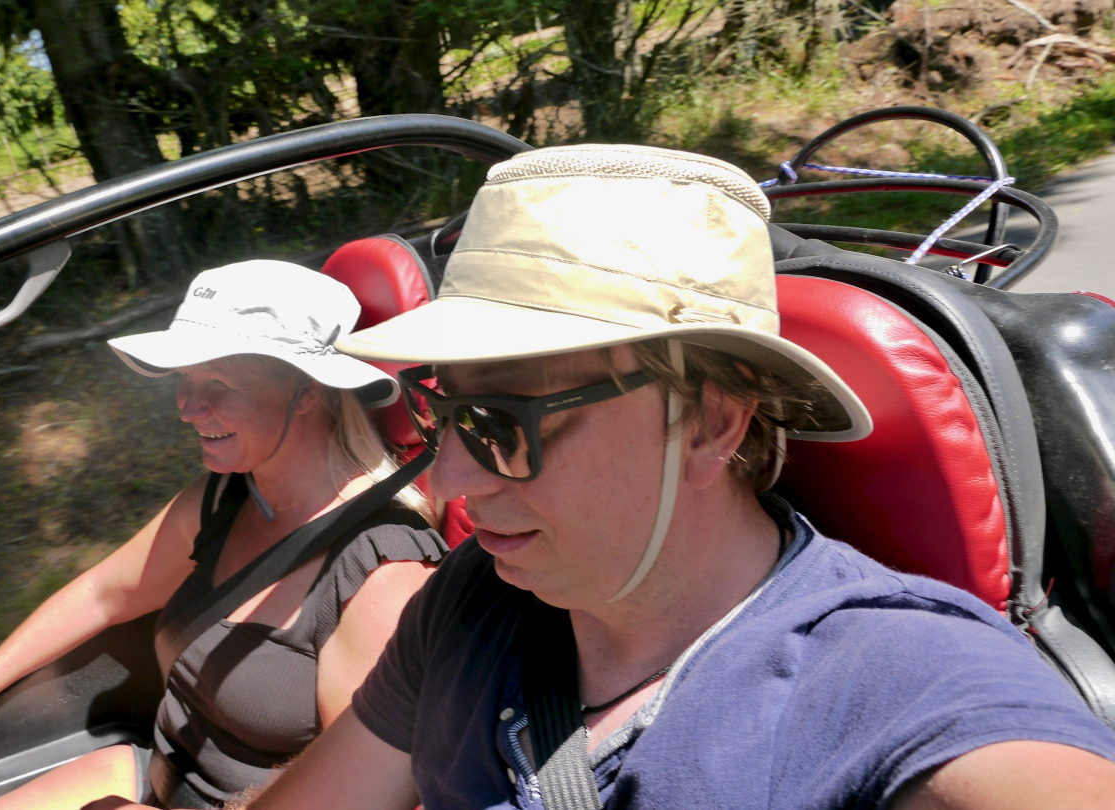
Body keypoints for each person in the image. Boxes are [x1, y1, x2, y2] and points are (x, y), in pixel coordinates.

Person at [190, 145, 1115, 810]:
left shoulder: (894, 684)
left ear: (710, 421)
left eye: (505, 423)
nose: (455, 480)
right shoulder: (476, 601)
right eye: (446, 412)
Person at [0, 260, 447, 809]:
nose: (188, 408)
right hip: (147, 778)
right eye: (185, 379)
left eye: (218, 383)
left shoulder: (383, 574)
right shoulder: (223, 499)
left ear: (306, 390)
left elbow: (370, 797)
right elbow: (105, 594)